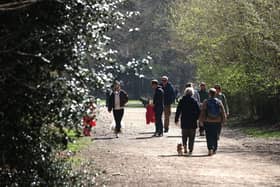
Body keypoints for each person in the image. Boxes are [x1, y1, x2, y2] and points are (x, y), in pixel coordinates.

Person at [199, 88, 227, 156]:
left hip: (208, 121)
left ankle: (210, 149)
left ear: (209, 94)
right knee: (215, 135)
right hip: (217, 121)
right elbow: (223, 112)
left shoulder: (206, 101)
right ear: (215, 94)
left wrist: (201, 121)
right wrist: (224, 120)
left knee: (208, 136)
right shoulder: (219, 101)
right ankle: (214, 149)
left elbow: (203, 112)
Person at [175, 87, 200, 155]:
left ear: (185, 93)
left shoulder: (182, 100)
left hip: (184, 121)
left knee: (184, 135)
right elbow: (198, 111)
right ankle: (190, 150)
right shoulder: (194, 101)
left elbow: (178, 111)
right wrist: (197, 118)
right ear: (192, 93)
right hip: (192, 121)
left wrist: (176, 119)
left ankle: (185, 146)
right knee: (192, 137)